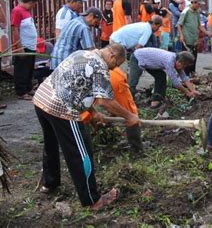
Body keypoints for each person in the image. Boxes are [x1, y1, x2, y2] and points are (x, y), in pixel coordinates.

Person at [33, 44, 141, 210]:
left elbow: (77, 85)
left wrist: (92, 112)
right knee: (81, 153)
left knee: (51, 144)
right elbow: (106, 101)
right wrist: (130, 116)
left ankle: (50, 183)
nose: (114, 68)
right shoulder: (100, 66)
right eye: (116, 64)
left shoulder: (82, 53)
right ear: (112, 56)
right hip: (61, 109)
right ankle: (92, 200)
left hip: (42, 98)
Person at [129, 49, 199, 109]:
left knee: (161, 76)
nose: (184, 68)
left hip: (150, 62)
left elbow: (184, 77)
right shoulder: (169, 61)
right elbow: (176, 83)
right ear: (179, 62)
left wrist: (193, 90)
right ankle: (128, 103)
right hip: (138, 57)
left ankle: (156, 100)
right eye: (184, 65)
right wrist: (187, 92)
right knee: (133, 82)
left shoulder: (177, 60)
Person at [11, 0, 38, 100]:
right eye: (33, 4)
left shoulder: (27, 11)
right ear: (30, 2)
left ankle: (28, 88)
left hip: (31, 45)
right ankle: (21, 91)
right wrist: (19, 45)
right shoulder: (17, 10)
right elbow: (14, 28)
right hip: (24, 45)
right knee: (22, 69)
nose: (33, 6)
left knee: (29, 68)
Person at [109, 67, 143, 152]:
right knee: (130, 112)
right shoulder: (116, 76)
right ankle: (136, 147)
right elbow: (103, 102)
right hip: (115, 77)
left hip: (112, 75)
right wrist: (130, 116)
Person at [177, 0, 210, 76]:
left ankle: (192, 74)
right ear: (194, 2)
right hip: (186, 39)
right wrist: (181, 35)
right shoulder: (186, 11)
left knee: (193, 58)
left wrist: (207, 33)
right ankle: (184, 76)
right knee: (186, 58)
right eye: (199, 4)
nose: (199, 6)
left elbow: (199, 25)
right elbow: (179, 25)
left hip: (194, 39)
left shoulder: (197, 11)